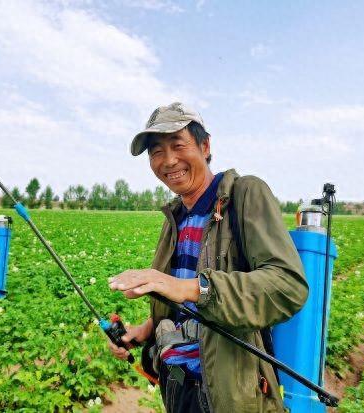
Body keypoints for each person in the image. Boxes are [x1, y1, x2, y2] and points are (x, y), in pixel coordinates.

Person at [108, 102, 308, 412]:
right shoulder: (175, 217)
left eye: (178, 145)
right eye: (156, 152)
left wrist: (188, 287)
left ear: (205, 146)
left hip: (229, 394)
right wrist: (141, 332)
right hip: (176, 386)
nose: (169, 160)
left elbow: (287, 286)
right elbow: (181, 306)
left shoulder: (245, 195)